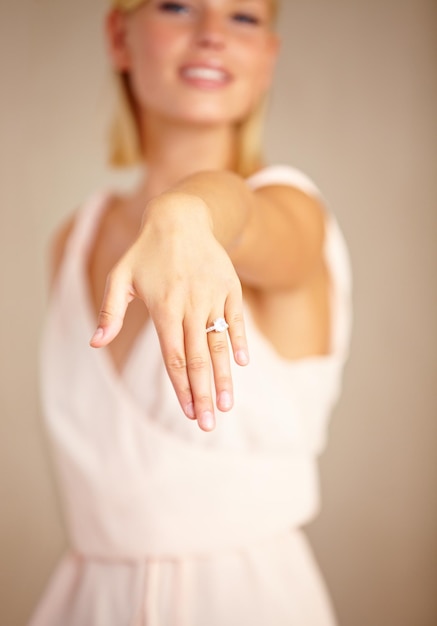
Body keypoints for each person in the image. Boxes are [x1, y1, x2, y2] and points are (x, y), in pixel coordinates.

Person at [30, 0, 352, 623]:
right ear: (119, 36)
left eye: (243, 18)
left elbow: (248, 217)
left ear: (268, 59)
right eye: (177, 6)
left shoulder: (292, 212)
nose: (210, 36)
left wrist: (189, 212)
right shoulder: (75, 240)